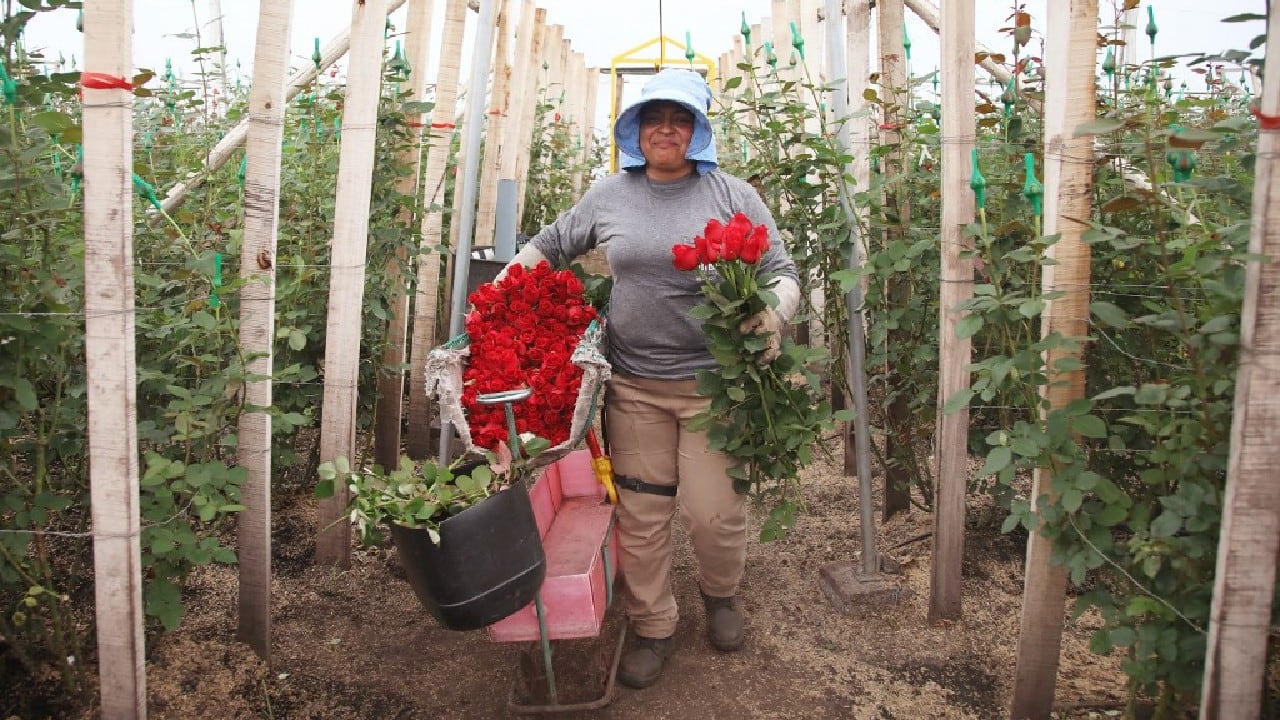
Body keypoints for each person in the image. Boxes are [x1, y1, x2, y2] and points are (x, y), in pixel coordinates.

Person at [499, 68, 801, 689]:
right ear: (635, 129)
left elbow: (780, 267)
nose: (667, 128)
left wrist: (774, 313)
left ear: (698, 129)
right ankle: (653, 624)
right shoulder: (611, 195)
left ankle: (720, 594)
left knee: (715, 514)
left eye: (680, 117)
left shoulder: (732, 196)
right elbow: (554, 243)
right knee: (642, 514)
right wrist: (496, 294)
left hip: (716, 386)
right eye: (654, 117)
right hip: (634, 386)